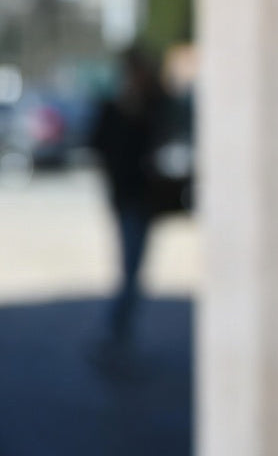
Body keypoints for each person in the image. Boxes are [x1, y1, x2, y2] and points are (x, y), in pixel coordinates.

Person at [90, 47, 165, 362]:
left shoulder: (149, 104)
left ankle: (119, 332)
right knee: (130, 272)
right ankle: (117, 333)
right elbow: (100, 146)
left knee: (134, 271)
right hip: (127, 199)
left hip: (143, 199)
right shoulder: (114, 108)